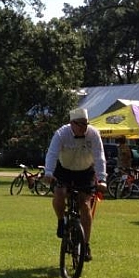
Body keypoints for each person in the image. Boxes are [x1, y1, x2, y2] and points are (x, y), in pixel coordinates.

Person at [44, 108, 108, 260]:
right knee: (59, 194)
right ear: (71, 123)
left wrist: (103, 179)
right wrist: (48, 172)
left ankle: (85, 245)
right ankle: (61, 221)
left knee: (85, 205)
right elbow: (52, 154)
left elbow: (99, 157)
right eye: (79, 124)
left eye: (86, 124)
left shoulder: (93, 134)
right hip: (64, 170)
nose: (83, 127)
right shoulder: (61, 134)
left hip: (85, 171)